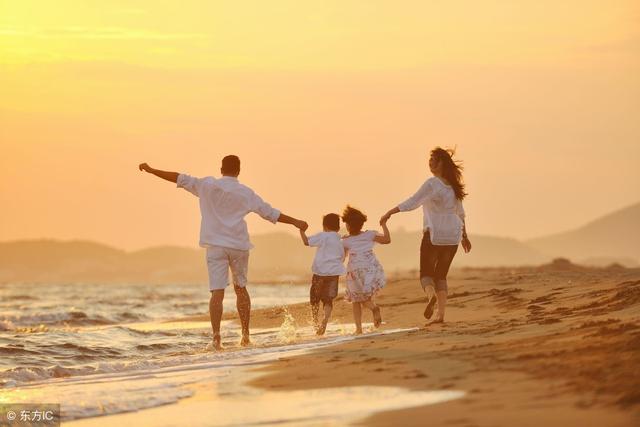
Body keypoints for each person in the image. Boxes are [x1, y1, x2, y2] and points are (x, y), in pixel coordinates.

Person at [138, 155, 308, 350]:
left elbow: (177, 177)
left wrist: (152, 170)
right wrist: (296, 222)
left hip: (215, 247)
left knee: (217, 294)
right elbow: (270, 213)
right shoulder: (246, 192)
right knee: (240, 288)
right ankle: (245, 335)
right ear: (239, 170)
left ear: (221, 168)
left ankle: (216, 338)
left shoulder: (206, 185)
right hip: (238, 246)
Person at [381, 147, 472, 324]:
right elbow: (460, 213)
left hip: (434, 235)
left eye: (434, 160)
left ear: (442, 164)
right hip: (452, 236)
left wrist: (390, 212)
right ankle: (441, 315)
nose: (430, 163)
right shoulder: (454, 187)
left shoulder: (432, 183)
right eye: (429, 160)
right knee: (441, 276)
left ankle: (431, 297)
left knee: (426, 275)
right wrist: (464, 236)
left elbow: (413, 201)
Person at [341, 205, 390, 334]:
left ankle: (361, 325)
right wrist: (384, 225)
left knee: (356, 300)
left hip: (355, 271)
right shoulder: (370, 234)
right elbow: (387, 240)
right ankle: (371, 311)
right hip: (370, 269)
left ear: (348, 225)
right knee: (363, 297)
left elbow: (342, 257)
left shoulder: (345, 241)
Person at [299, 213, 346, 336]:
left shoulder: (323, 236)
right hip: (334, 274)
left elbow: (306, 242)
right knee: (328, 300)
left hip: (320, 272)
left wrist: (301, 231)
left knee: (314, 299)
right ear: (338, 227)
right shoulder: (340, 240)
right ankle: (325, 321)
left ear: (324, 226)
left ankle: (315, 323)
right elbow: (342, 257)